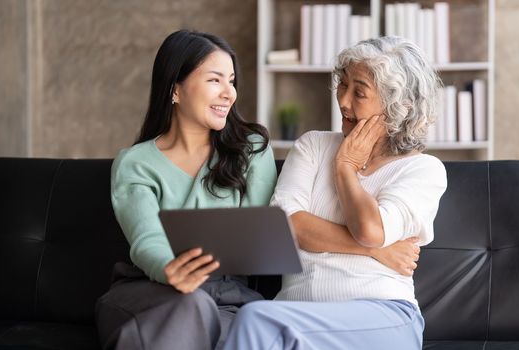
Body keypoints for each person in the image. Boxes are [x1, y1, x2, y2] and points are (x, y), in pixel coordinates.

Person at [221, 36, 448, 350]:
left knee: (255, 319)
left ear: (397, 107)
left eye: (359, 92)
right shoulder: (312, 146)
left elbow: (370, 229)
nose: (343, 101)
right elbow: (287, 226)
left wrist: (345, 167)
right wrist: (374, 251)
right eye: (343, 85)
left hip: (383, 315)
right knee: (263, 321)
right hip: (296, 314)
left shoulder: (423, 170)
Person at [94, 30, 277, 350]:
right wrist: (171, 269)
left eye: (231, 81)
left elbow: (258, 237)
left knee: (225, 323)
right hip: (149, 291)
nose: (229, 93)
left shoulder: (252, 150)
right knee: (191, 307)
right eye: (215, 80)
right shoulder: (136, 163)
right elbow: (146, 237)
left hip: (227, 298)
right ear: (175, 89)